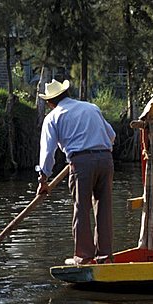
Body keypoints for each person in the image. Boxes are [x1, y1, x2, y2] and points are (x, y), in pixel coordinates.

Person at [36, 79, 116, 265]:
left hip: (81, 163)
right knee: (104, 209)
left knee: (81, 209)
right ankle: (105, 257)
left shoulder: (53, 117)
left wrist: (43, 179)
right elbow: (111, 135)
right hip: (105, 159)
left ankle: (84, 258)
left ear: (50, 102)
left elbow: (47, 153)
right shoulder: (91, 108)